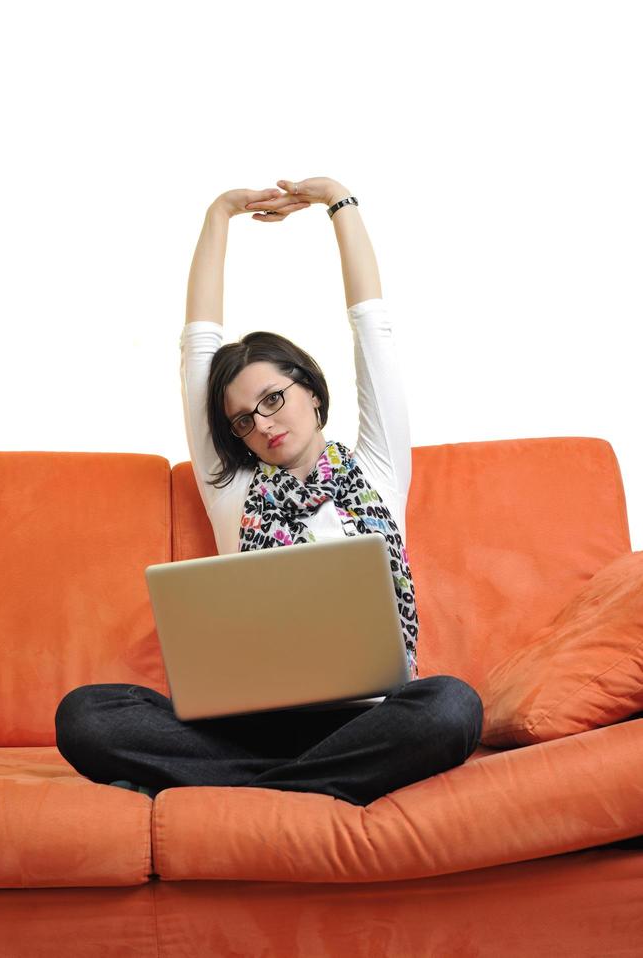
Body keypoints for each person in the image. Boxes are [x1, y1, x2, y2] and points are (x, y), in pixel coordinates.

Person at [55, 176, 483, 807]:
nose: (263, 424)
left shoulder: (378, 467)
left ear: (311, 388)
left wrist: (339, 202)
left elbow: (375, 334)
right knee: (85, 713)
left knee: (451, 705)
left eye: (273, 399)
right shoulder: (234, 489)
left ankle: (240, 791)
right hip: (248, 725)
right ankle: (310, 787)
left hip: (369, 719)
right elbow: (198, 347)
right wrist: (219, 212)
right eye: (242, 419)